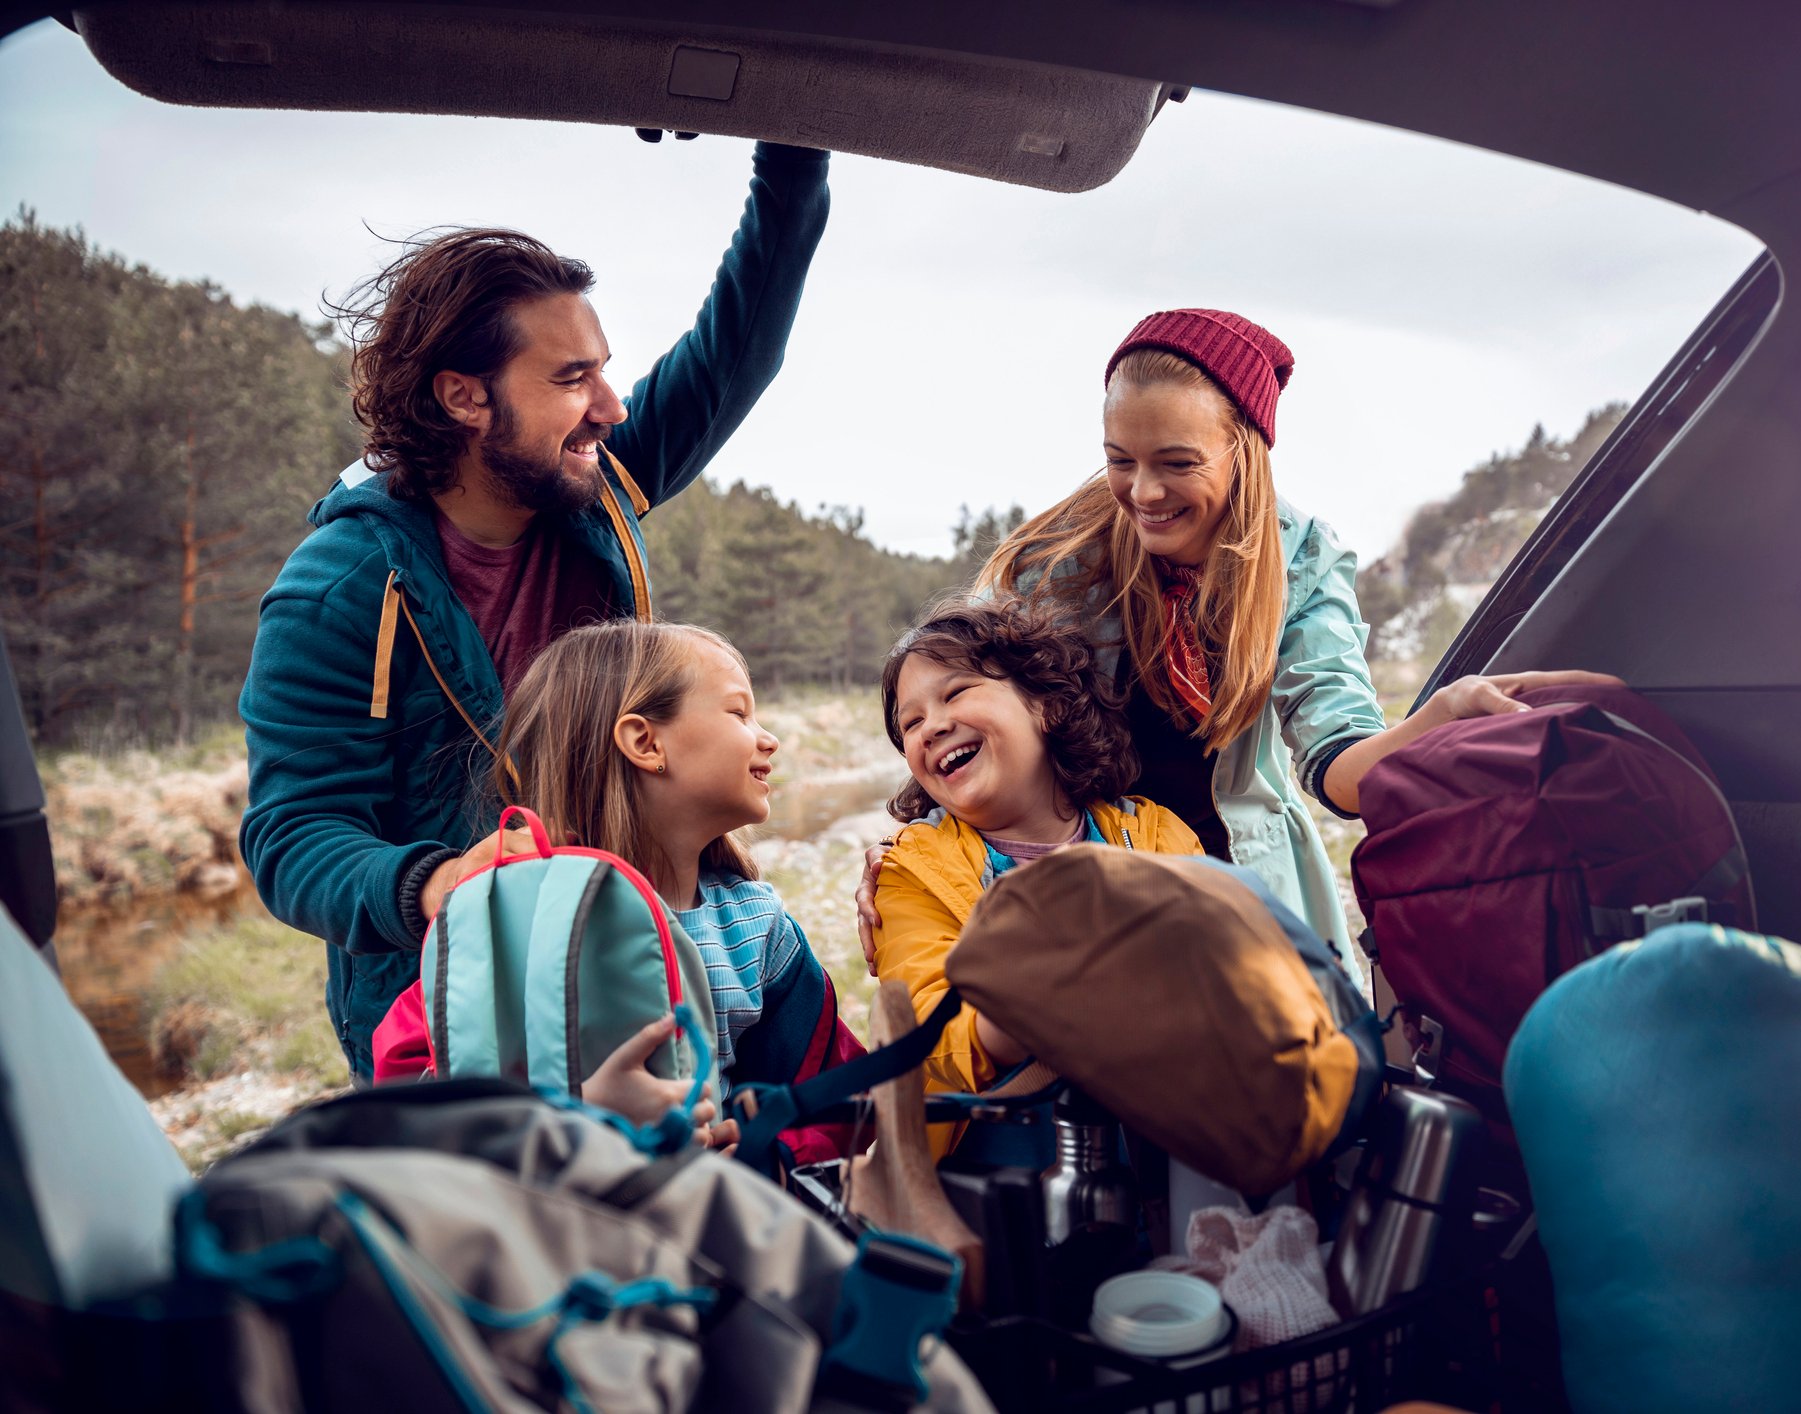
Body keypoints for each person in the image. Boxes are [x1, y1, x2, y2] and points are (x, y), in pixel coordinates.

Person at [240, 142, 830, 1079]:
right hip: (454, 1010)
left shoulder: (594, 486)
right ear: (465, 397)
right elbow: (293, 835)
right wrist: (439, 883)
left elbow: (737, 352)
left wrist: (792, 160)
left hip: (634, 956)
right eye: (568, 380)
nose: (610, 405)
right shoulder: (338, 587)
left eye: (602, 369)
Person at [856, 308, 1617, 983]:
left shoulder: (1305, 561)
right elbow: (959, 710)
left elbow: (1340, 769)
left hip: (1238, 883)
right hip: (1082, 876)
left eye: (1177, 463)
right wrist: (910, 864)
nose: (1143, 494)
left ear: (1243, 450)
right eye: (1120, 459)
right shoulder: (1058, 558)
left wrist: (1432, 722)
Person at [370, 620, 861, 1157]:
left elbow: (833, 1095)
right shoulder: (509, 922)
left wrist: (762, 1146)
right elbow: (411, 1104)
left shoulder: (753, 926)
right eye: (739, 712)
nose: (769, 737)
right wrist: (574, 1118)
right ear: (646, 742)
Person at [871, 598, 1204, 1157]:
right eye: (911, 722)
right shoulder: (910, 870)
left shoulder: (1154, 835)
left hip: (1173, 1141)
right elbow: (925, 1029)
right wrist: (1050, 1005)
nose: (933, 726)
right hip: (1001, 1165)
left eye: (955, 693)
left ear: (1045, 705)